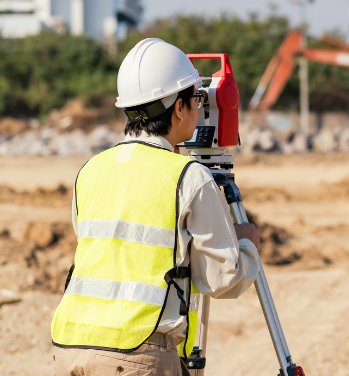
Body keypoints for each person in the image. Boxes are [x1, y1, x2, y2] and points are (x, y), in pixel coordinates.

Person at [51, 38, 262, 376]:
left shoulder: (90, 170)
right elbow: (224, 280)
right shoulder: (188, 178)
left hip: (69, 349)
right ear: (179, 108)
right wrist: (247, 244)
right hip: (135, 355)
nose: (199, 105)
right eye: (195, 98)